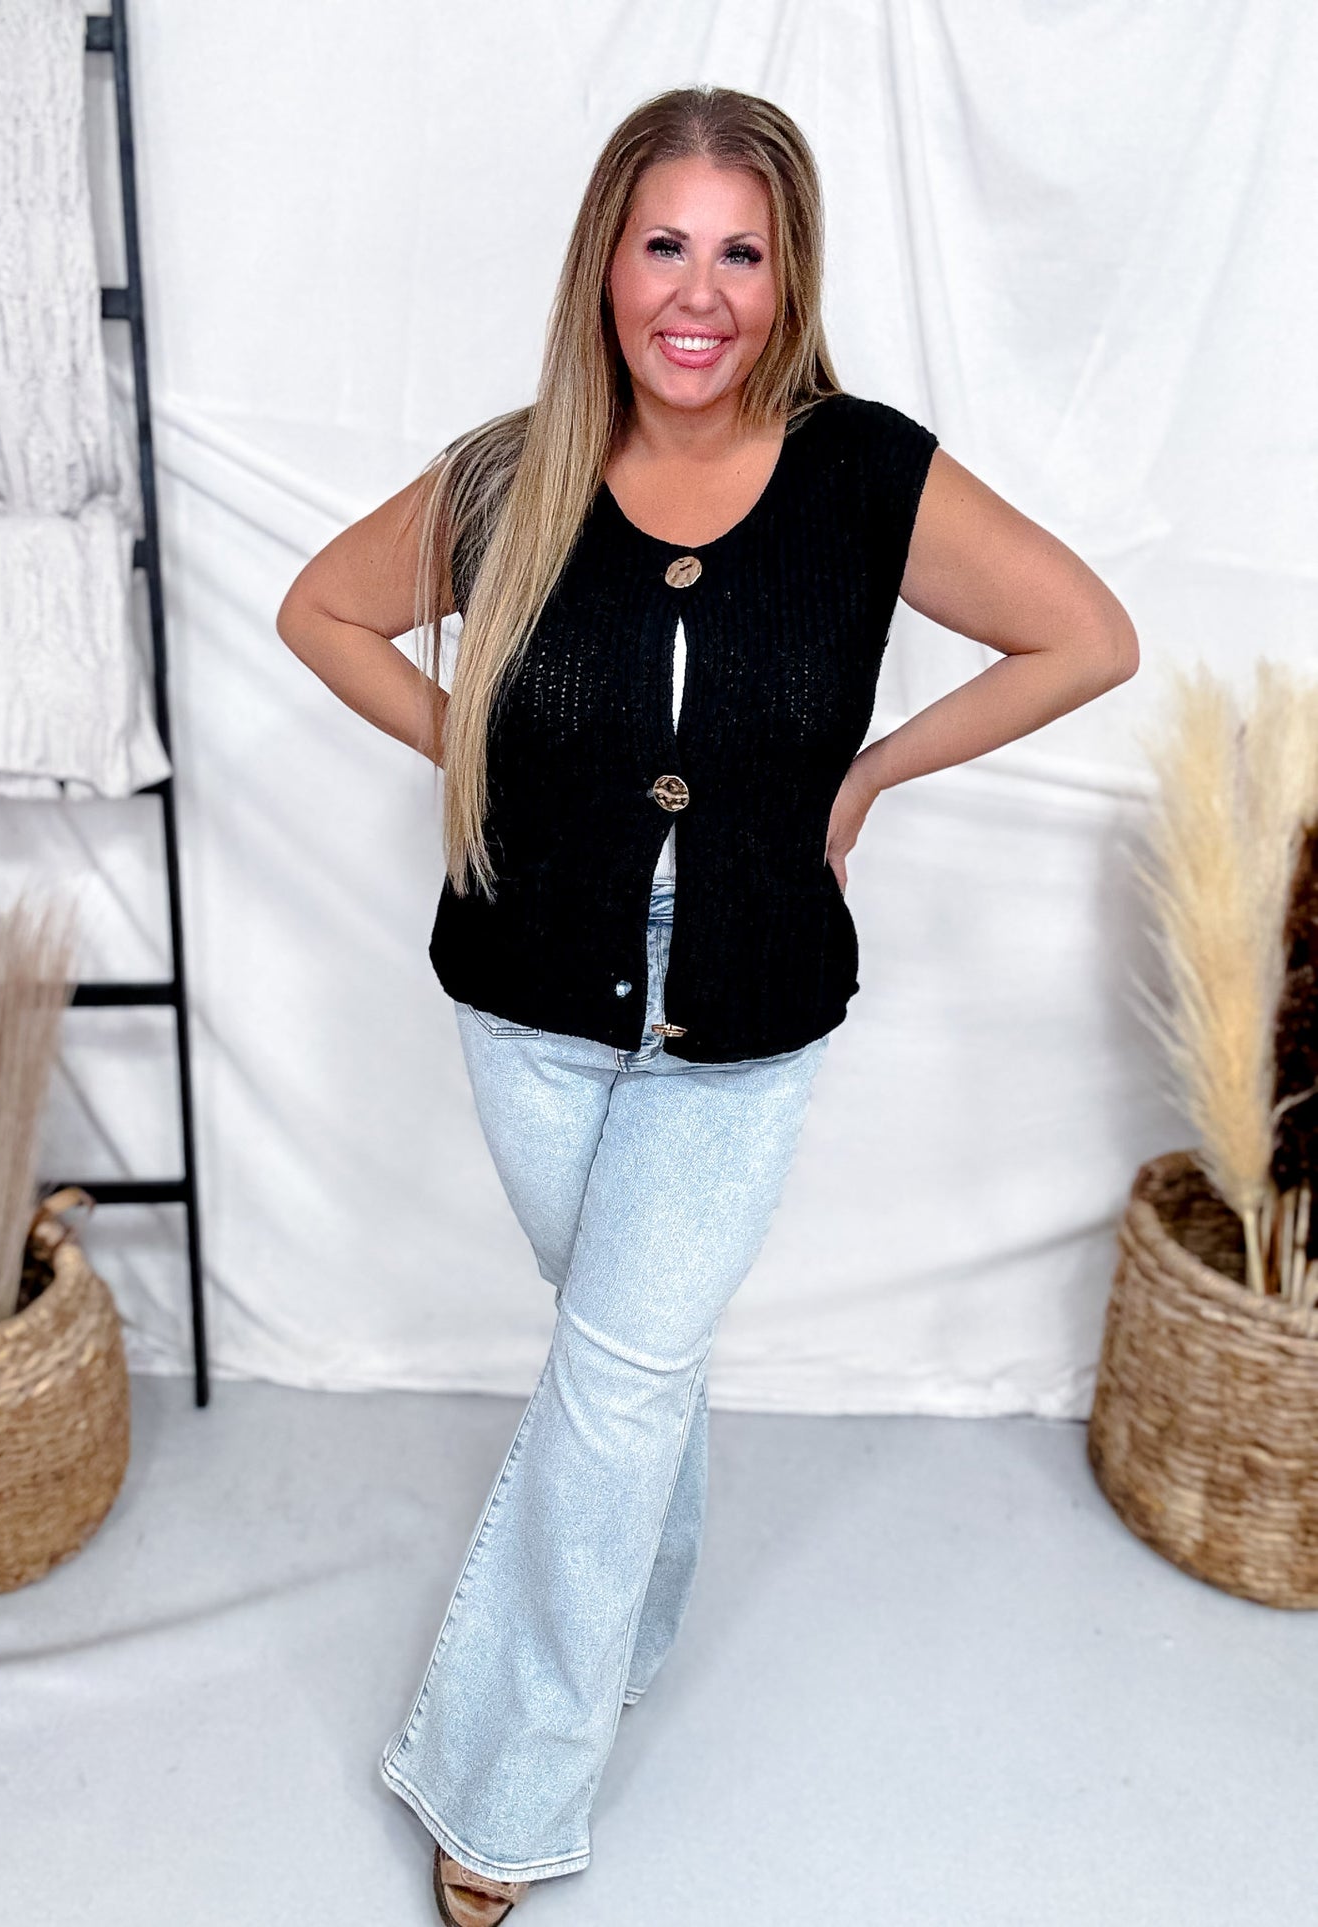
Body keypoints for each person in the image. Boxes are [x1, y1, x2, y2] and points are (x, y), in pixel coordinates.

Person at [276, 83, 1138, 1927]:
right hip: (522, 1001)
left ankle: (501, 1788)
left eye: (739, 251)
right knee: (624, 1360)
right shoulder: (510, 469)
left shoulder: (863, 474)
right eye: (663, 242)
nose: (700, 290)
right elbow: (321, 613)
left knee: (605, 1384)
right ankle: (629, 1618)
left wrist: (870, 776)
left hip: (744, 1013)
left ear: (787, 273)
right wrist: (474, 760)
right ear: (604, 260)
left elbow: (1088, 633)